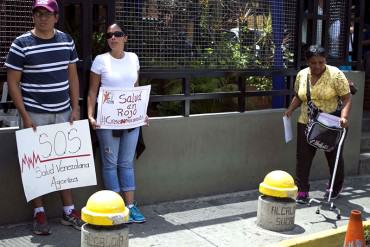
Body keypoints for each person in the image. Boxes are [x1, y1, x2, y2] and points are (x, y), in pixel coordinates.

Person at [5, 0, 83, 235]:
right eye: (38, 14)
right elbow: (13, 82)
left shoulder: (66, 41)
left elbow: (73, 77)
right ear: (33, 17)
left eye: (47, 14)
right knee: (35, 167)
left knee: (64, 164)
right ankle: (39, 214)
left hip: (64, 113)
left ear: (56, 17)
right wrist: (25, 116)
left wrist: (75, 108)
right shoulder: (21, 44)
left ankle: (69, 211)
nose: (43, 18)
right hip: (34, 116)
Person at [87, 23, 146, 223]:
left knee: (126, 163)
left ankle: (130, 206)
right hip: (107, 121)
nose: (113, 38)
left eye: (117, 34)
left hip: (130, 120)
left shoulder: (133, 58)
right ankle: (116, 208)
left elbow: (135, 88)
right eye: (109, 35)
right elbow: (93, 91)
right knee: (110, 164)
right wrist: (90, 115)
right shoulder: (100, 60)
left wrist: (141, 113)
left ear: (125, 38)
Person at [284, 45, 352, 204]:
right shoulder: (302, 75)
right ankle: (302, 190)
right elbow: (299, 96)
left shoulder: (335, 75)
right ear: (307, 62)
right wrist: (290, 110)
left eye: (321, 62)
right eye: (313, 63)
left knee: (333, 156)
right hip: (306, 122)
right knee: (303, 158)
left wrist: (344, 116)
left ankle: (335, 187)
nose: (317, 66)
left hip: (332, 124)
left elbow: (347, 98)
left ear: (325, 60)